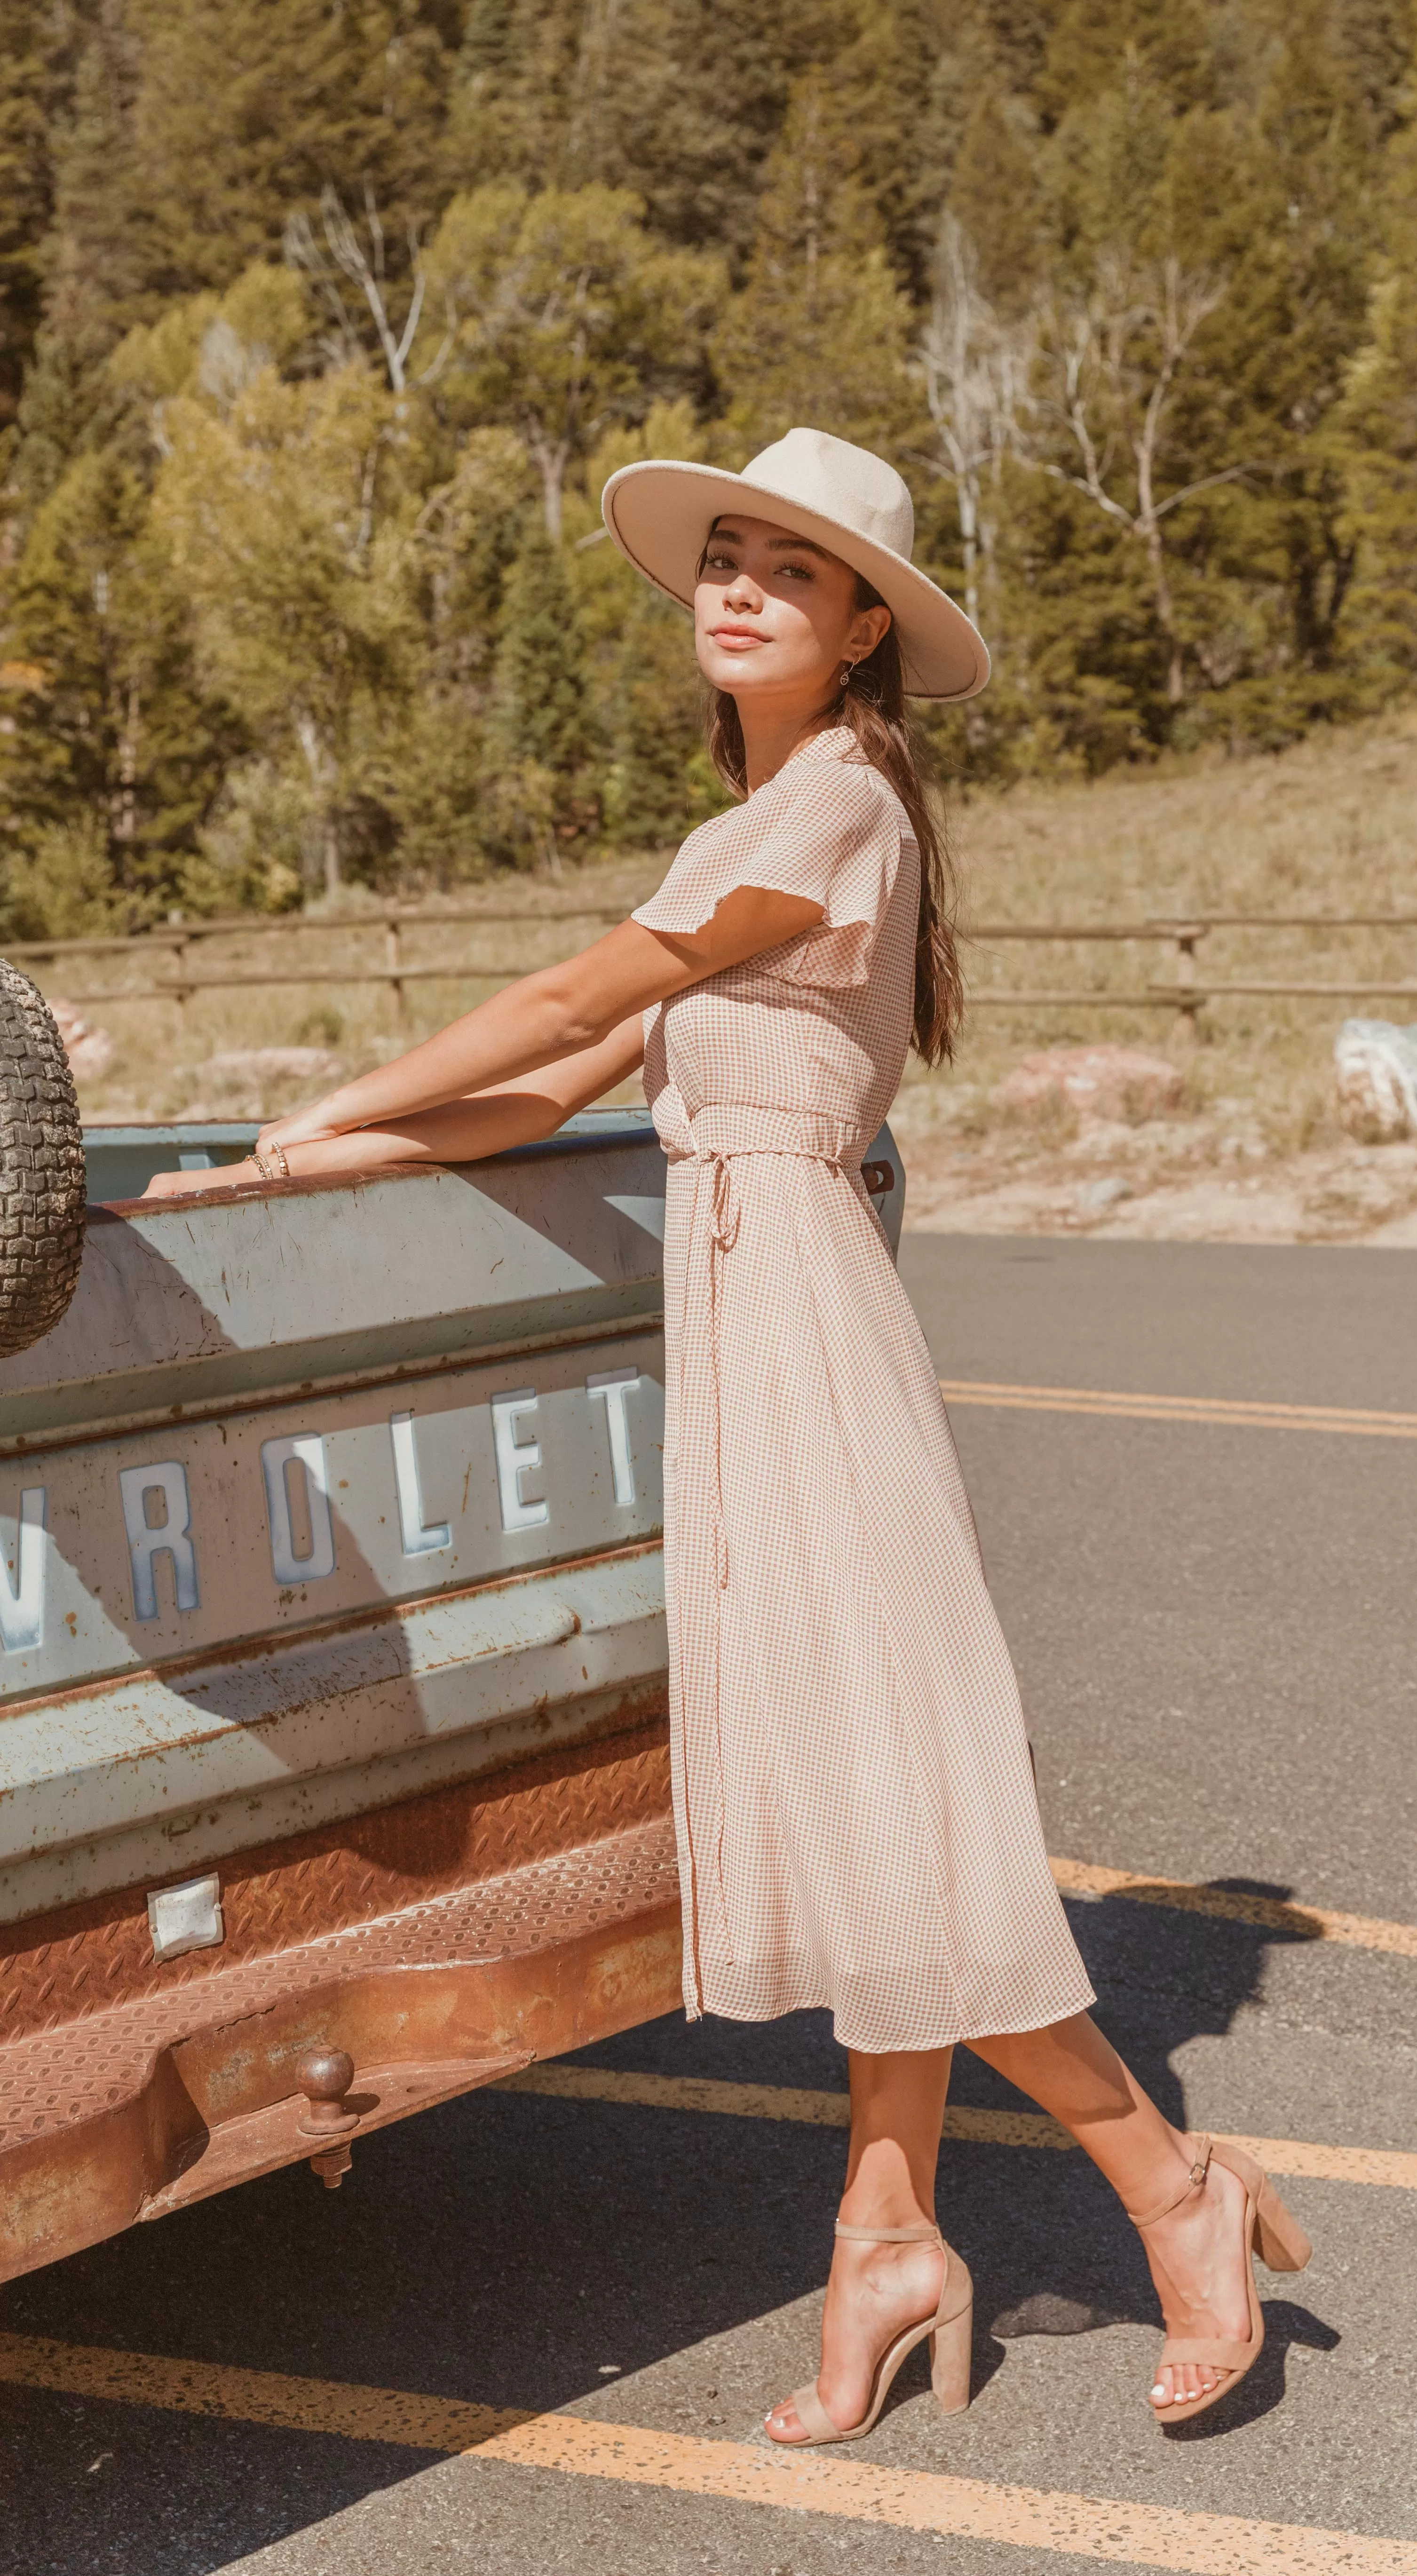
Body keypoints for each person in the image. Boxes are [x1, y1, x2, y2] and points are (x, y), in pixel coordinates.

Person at [148, 428, 1309, 2440]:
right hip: (744, 1313)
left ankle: (1174, 2187)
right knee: (850, 1793)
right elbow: (578, 1074)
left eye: (797, 565)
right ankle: (886, 2247)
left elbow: (598, 978)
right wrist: (334, 1148)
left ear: (865, 626)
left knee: (906, 1807)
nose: (745, 583)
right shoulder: (768, 811)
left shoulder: (846, 796)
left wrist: (333, 1097)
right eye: (728, 556)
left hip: (804, 1325)